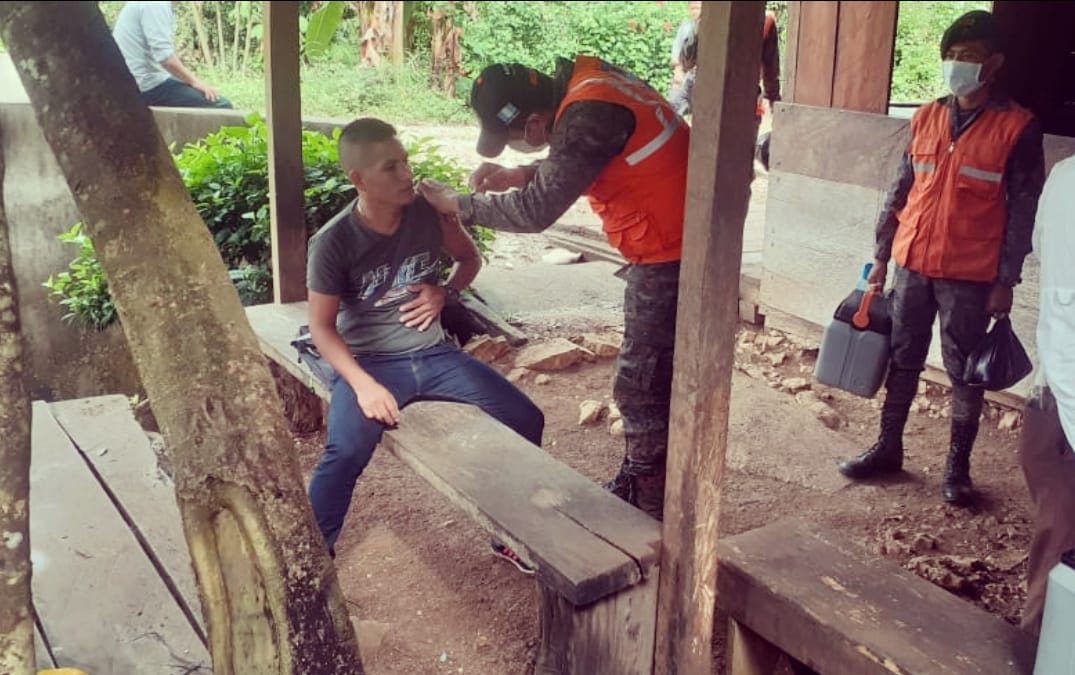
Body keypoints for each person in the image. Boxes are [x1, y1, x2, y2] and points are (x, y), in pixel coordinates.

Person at [417, 56, 690, 521]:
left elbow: (534, 211)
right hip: (679, 235)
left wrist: (459, 203)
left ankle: (649, 503)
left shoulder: (587, 112)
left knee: (641, 385)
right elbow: (587, 154)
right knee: (651, 377)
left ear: (536, 124)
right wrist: (522, 173)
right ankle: (647, 479)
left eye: (512, 137)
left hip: (675, 250)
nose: (514, 146)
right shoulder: (591, 87)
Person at [305, 118, 545, 569]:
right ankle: (312, 561)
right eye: (390, 167)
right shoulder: (334, 242)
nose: (406, 174)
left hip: (435, 354)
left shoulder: (428, 214)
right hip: (371, 362)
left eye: (405, 161)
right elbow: (321, 328)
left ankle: (508, 535)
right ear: (358, 179)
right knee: (346, 452)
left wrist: (444, 292)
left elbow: (469, 259)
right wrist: (363, 385)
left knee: (525, 418)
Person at [837, 10, 1045, 507]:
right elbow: (900, 190)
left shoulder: (1017, 127)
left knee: (964, 370)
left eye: (968, 56)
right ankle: (888, 448)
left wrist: (1006, 279)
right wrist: (881, 255)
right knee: (903, 357)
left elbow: (1023, 211)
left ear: (994, 64)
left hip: (969, 275)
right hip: (911, 263)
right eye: (951, 56)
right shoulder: (926, 116)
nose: (957, 65)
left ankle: (958, 470)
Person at [1018, 153, 1075, 639]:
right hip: (1058, 381)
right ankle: (1044, 636)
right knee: (1059, 518)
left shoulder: (1065, 175)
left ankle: (1043, 635)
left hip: (1058, 380)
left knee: (1058, 519)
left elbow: (1039, 245)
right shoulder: (1065, 176)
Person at [112, 1, 233, 109]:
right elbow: (165, 58)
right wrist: (196, 82)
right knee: (223, 106)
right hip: (144, 87)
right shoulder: (156, 4)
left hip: (142, 81)